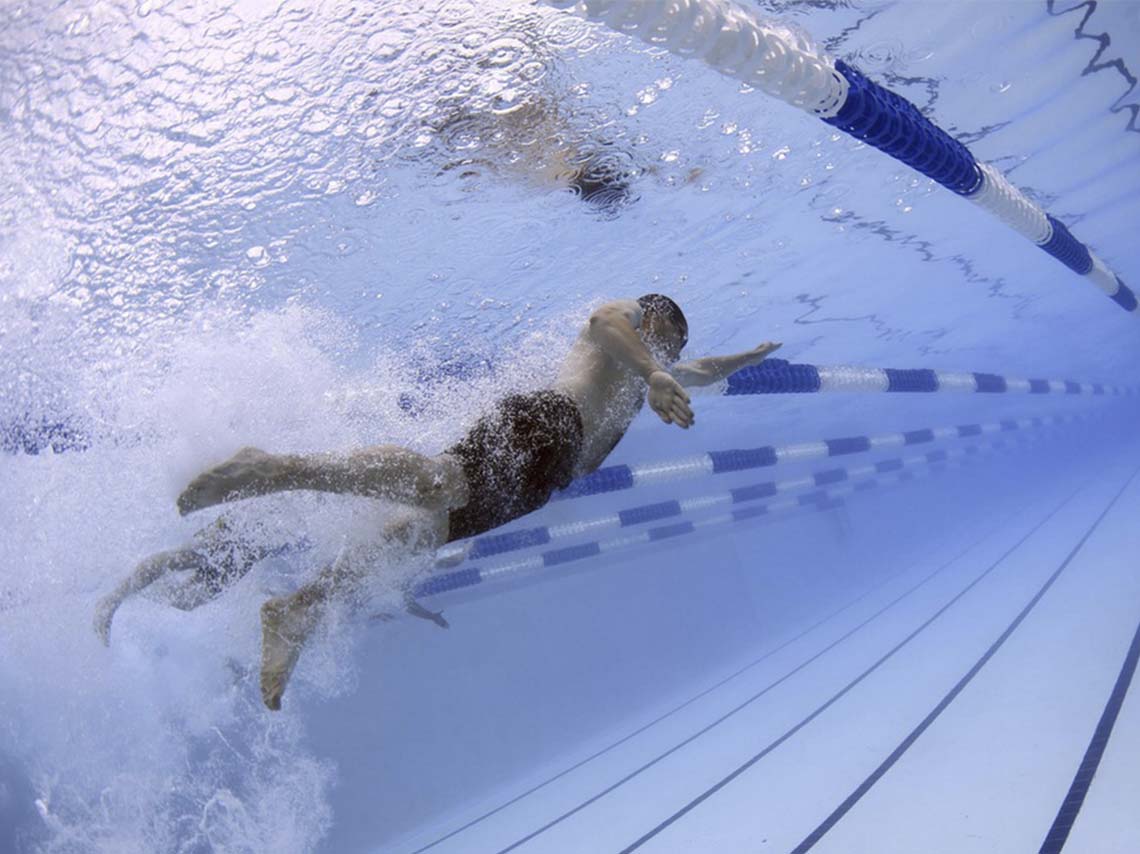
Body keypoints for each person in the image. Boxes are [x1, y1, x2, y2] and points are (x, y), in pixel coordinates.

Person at [95, 295, 781, 709]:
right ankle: (271, 470)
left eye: (672, 347)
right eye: (665, 337)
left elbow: (698, 371)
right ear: (653, 320)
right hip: (546, 423)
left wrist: (743, 359)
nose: (669, 350)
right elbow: (606, 321)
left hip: (539, 482)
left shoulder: (648, 379)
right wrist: (656, 368)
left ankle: (298, 608)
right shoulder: (627, 333)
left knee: (412, 537)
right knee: (435, 483)